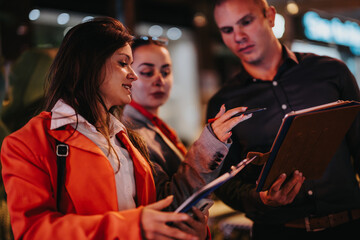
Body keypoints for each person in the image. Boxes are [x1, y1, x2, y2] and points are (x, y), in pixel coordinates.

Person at [1, 17, 203, 240]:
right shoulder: (28, 143)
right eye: (123, 63)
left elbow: (153, 215)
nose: (133, 74)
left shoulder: (129, 140)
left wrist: (191, 231)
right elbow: (33, 231)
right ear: (90, 65)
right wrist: (131, 226)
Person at [206, 0, 360, 239]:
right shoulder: (224, 103)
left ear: (270, 16)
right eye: (227, 30)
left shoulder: (331, 72)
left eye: (246, 22)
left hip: (349, 227)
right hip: (277, 233)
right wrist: (260, 199)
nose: (239, 36)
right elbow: (224, 182)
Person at [123, 36, 252, 239]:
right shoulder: (130, 133)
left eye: (166, 71)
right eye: (147, 72)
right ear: (127, 75)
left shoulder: (155, 126)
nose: (159, 79)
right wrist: (211, 142)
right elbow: (169, 203)